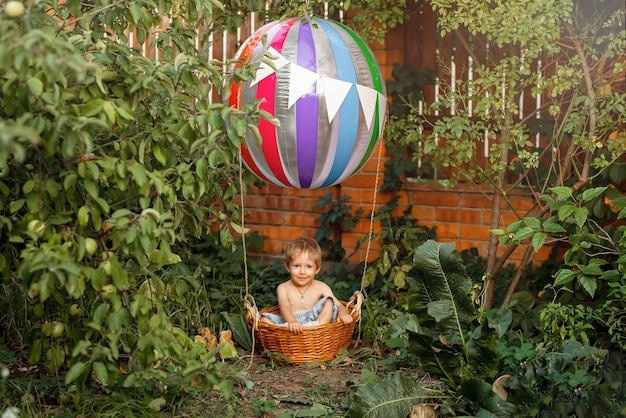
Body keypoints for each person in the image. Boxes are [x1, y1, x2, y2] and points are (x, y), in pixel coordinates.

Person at [259, 237, 353, 335]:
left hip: (316, 323)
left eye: (309, 266)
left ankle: (316, 332)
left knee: (329, 301)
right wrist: (292, 322)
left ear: (317, 269)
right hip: (289, 323)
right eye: (297, 266)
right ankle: (289, 335)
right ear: (287, 266)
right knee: (264, 318)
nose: (302, 272)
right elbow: (284, 307)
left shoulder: (321, 287)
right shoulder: (283, 288)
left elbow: (338, 305)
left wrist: (343, 313)